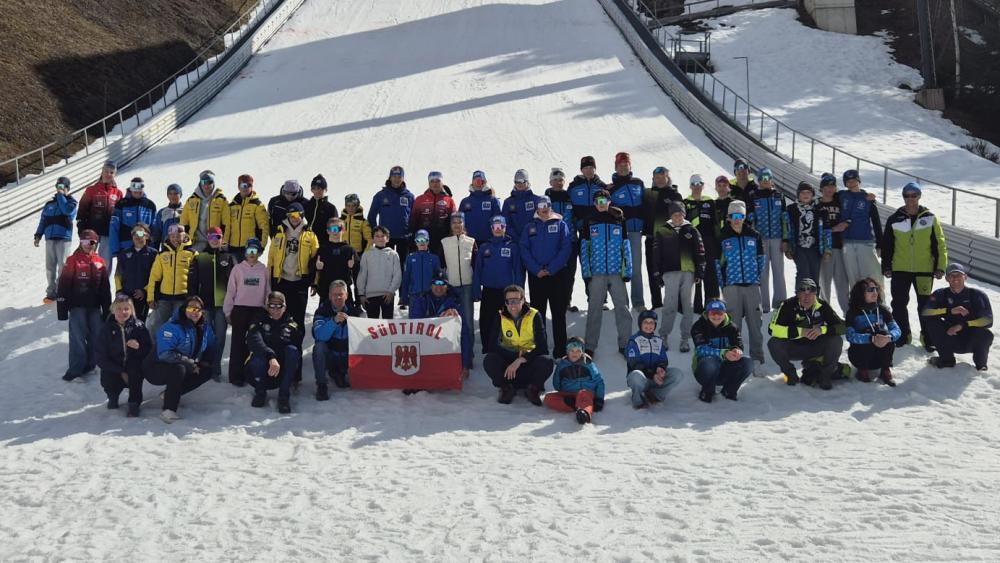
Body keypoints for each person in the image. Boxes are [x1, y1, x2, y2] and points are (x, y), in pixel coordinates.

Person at [882, 182, 947, 350]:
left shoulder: (930, 217)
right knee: (898, 303)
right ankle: (903, 335)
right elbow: (887, 245)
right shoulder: (894, 218)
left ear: (919, 196)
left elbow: (940, 244)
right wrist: (886, 266)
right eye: (907, 195)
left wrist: (940, 267)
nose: (910, 199)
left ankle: (928, 337)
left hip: (924, 269)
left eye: (914, 195)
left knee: (925, 305)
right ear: (903, 197)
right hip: (900, 269)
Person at [716, 200, 766, 376]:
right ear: (729, 218)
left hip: (751, 286)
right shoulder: (722, 236)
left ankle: (757, 358)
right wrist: (724, 285)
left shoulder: (754, 235)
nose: (737, 220)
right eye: (733, 216)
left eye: (740, 216)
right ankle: (735, 359)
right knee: (733, 326)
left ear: (744, 217)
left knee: (755, 323)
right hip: (732, 286)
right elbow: (717, 263)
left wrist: (755, 279)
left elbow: (761, 260)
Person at [767, 278, 847, 390]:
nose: (806, 296)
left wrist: (822, 330)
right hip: (794, 347)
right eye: (802, 292)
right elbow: (772, 329)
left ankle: (825, 376)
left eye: (811, 292)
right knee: (773, 343)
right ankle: (790, 374)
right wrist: (800, 332)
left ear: (816, 293)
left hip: (816, 346)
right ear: (797, 294)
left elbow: (842, 327)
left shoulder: (822, 305)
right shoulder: (787, 305)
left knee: (836, 340)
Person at [581, 189, 634, 356]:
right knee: (594, 308)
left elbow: (626, 246)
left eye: (604, 201)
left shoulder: (618, 219)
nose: (601, 204)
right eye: (598, 201)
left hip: (616, 271)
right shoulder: (589, 220)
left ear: (609, 201)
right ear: (594, 204)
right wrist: (586, 271)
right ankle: (590, 346)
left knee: (623, 308)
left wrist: (627, 270)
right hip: (597, 273)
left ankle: (625, 344)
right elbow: (585, 248)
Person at [148, 296, 216, 423]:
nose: (194, 312)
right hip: (156, 367)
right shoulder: (173, 326)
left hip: (182, 364)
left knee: (206, 371)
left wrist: (203, 362)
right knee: (179, 369)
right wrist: (190, 363)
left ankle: (169, 394)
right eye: (191, 308)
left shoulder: (204, 327)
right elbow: (165, 354)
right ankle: (168, 410)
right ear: (184, 309)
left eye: (198, 309)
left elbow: (211, 346)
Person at [520, 195, 573, 357]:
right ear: (537, 207)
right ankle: (540, 349)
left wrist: (552, 268)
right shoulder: (529, 227)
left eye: (546, 205)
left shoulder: (560, 225)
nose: (544, 208)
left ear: (550, 206)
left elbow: (566, 248)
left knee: (558, 314)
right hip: (537, 276)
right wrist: (536, 269)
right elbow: (524, 249)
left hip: (556, 275)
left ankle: (560, 351)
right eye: (541, 205)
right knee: (538, 314)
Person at [650, 200, 706, 353]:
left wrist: (700, 271)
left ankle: (685, 338)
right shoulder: (662, 231)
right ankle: (664, 336)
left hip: (688, 272)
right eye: (675, 214)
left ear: (684, 215)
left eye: (680, 214)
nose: (678, 217)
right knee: (670, 305)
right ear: (670, 215)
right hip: (669, 272)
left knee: (688, 306)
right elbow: (656, 255)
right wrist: (657, 273)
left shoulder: (692, 230)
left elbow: (700, 252)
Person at [483, 285, 553, 405]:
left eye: (516, 300)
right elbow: (492, 346)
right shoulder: (500, 316)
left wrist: (521, 359)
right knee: (489, 359)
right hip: (509, 367)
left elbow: (542, 347)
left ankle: (533, 388)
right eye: (508, 301)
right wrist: (514, 356)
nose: (512, 304)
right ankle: (506, 388)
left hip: (528, 361)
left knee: (546, 361)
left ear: (523, 300)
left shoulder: (534, 315)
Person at [56, 229, 111, 381]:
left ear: (96, 243)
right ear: (80, 242)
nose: (88, 244)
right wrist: (62, 308)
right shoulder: (73, 259)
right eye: (85, 242)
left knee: (96, 336)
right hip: (77, 306)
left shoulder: (100, 261)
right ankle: (75, 371)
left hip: (94, 306)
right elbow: (63, 284)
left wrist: (107, 310)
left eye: (91, 242)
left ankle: (89, 365)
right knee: (78, 338)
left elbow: (105, 289)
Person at [922, 263, 993, 371]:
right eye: (952, 275)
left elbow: (988, 320)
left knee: (986, 334)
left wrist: (963, 325)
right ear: (946, 279)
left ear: (965, 277)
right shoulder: (941, 293)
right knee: (932, 323)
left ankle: (981, 365)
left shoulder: (977, 295)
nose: (955, 278)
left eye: (958, 275)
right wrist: (948, 311)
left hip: (971, 339)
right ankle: (946, 360)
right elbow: (925, 313)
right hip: (949, 337)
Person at [186, 226, 234, 381]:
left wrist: (232, 303)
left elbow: (235, 283)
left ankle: (216, 369)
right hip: (204, 305)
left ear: (222, 239)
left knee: (220, 337)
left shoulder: (228, 257)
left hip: (222, 305)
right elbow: (192, 282)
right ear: (207, 238)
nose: (215, 240)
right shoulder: (201, 257)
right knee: (205, 337)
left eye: (218, 237)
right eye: (212, 237)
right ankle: (203, 366)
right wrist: (194, 300)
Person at [245, 292, 303, 414]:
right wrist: (270, 356)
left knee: (292, 351)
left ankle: (283, 397)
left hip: (280, 372)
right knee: (258, 359)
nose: (275, 310)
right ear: (267, 306)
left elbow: (297, 349)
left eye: (279, 306)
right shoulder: (259, 321)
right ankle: (260, 393)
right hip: (261, 368)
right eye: (272, 306)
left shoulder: (291, 325)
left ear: (285, 307)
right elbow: (254, 340)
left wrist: (296, 376)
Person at [223, 238, 270, 386]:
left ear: (259, 253)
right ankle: (236, 376)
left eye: (255, 251)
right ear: (245, 252)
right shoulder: (238, 269)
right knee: (238, 343)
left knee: (254, 342)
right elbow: (231, 291)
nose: (252, 254)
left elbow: (267, 290)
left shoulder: (263, 269)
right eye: (249, 251)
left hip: (257, 310)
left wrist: (268, 308)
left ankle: (251, 372)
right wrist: (228, 311)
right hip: (240, 309)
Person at [473, 216, 525, 349]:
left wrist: (520, 292)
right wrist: (476, 289)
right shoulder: (484, 247)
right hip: (489, 290)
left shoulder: (512, 247)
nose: (498, 229)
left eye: (500, 227)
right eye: (495, 227)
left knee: (507, 319)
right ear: (491, 229)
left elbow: (518, 270)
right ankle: (487, 348)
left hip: (507, 292)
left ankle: (508, 347)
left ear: (505, 228)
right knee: (486, 320)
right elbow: (478, 270)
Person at [95, 296, 152, 416]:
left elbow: (149, 348)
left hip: (133, 365)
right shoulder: (105, 329)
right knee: (108, 379)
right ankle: (113, 397)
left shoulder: (139, 326)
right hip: (114, 365)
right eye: (119, 309)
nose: (123, 312)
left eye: (126, 309)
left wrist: (139, 347)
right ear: (113, 310)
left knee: (135, 372)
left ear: (131, 310)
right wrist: (121, 371)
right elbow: (100, 357)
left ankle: (134, 403)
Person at [367, 165, 415, 305]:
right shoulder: (381, 195)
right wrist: (377, 233)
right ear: (390, 177)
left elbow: (413, 217)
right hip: (385, 239)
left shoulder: (409, 196)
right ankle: (384, 295)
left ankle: (403, 297)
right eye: (394, 176)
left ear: (403, 178)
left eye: (399, 176)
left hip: (403, 238)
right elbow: (371, 216)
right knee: (384, 267)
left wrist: (411, 234)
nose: (396, 179)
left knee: (402, 267)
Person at [410, 274, 472, 378]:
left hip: (446, 348)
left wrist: (465, 364)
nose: (438, 287)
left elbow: (464, 334)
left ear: (447, 286)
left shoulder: (455, 304)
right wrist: (440, 318)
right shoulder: (421, 300)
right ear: (431, 285)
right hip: (426, 346)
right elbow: (414, 325)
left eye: (442, 284)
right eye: (435, 283)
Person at [267, 202, 319, 327]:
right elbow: (271, 259)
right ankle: (280, 343)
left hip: (300, 281)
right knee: (280, 316)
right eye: (291, 215)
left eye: (297, 215)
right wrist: (269, 281)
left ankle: (296, 345)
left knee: (298, 318)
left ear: (302, 215)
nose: (294, 218)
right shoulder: (279, 233)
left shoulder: (310, 235)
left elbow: (315, 260)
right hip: (282, 280)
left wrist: (315, 282)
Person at [692, 299, 753, 402]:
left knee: (747, 362)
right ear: (707, 313)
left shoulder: (732, 327)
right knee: (710, 362)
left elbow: (738, 345)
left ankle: (730, 390)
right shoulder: (698, 326)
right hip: (704, 369)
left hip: (725, 369)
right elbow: (701, 349)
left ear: (724, 313)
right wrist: (723, 353)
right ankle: (707, 391)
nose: (716, 316)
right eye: (713, 313)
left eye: (719, 313)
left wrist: (737, 351)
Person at [312, 280, 366, 398]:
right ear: (330, 296)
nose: (338, 297)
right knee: (319, 347)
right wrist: (333, 322)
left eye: (340, 294)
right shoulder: (322, 311)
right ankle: (322, 385)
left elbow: (365, 335)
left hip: (348, 358)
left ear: (346, 295)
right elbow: (319, 335)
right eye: (335, 294)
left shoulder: (355, 312)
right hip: (331, 357)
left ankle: (346, 375)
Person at [608, 151, 647, 310]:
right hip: (620, 234)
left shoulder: (638, 183)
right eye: (620, 165)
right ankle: (622, 303)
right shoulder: (611, 188)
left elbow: (645, 203)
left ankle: (638, 303)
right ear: (616, 167)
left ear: (630, 165)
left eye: (626, 164)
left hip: (636, 233)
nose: (623, 167)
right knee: (621, 268)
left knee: (636, 268)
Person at [845, 278, 901, 386]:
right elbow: (850, 335)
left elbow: (897, 330)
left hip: (879, 359)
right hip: (859, 357)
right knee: (870, 333)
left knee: (884, 334)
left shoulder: (883, 310)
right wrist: (870, 338)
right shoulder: (853, 312)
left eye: (876, 289)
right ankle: (863, 371)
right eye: (870, 289)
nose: (875, 292)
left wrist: (889, 337)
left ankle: (885, 370)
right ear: (861, 293)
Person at [146, 224, 198, 338]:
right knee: (155, 325)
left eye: (178, 236)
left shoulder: (192, 254)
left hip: (183, 299)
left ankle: (176, 352)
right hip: (164, 298)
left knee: (180, 328)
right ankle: (154, 352)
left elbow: (195, 279)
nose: (175, 239)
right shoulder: (162, 254)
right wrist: (151, 298)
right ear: (169, 237)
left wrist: (193, 298)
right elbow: (154, 277)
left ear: (184, 236)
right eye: (172, 236)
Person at [643, 165, 683, 310]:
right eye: (657, 178)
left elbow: (681, 217)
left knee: (671, 272)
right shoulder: (648, 194)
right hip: (651, 239)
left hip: (669, 240)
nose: (659, 180)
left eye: (663, 177)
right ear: (653, 179)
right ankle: (657, 304)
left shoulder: (674, 195)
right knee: (653, 271)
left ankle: (674, 304)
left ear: (668, 178)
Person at [747, 168, 787, 312]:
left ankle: (780, 303)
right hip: (761, 238)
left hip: (777, 238)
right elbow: (750, 218)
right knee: (763, 272)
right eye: (762, 178)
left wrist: (785, 238)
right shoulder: (754, 196)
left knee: (778, 271)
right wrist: (754, 238)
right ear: (758, 180)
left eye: (767, 177)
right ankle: (764, 305)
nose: (765, 180)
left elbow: (784, 218)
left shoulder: (778, 196)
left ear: (771, 179)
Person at [625, 310, 683, 409]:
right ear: (640, 324)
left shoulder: (658, 341)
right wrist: (652, 374)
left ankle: (656, 395)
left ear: (655, 325)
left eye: (651, 322)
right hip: (642, 379)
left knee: (677, 374)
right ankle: (638, 401)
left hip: (655, 379)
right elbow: (634, 363)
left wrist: (660, 369)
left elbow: (663, 360)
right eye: (645, 322)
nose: (649, 325)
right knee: (636, 375)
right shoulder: (633, 341)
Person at [35, 176, 77, 304]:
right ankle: (51, 293)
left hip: (63, 238)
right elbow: (43, 220)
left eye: (62, 187)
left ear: (67, 189)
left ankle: (62, 291)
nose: (59, 189)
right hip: (50, 239)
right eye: (58, 186)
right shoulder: (49, 205)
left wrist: (61, 196)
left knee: (63, 266)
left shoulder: (71, 202)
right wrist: (38, 235)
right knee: (50, 267)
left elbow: (67, 212)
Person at [838, 169, 883, 287]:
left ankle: (879, 301)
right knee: (853, 276)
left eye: (854, 180)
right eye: (848, 181)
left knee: (872, 275)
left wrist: (880, 244)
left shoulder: (867, 199)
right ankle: (856, 302)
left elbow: (876, 222)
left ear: (859, 181)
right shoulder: (842, 196)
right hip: (847, 242)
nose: (851, 183)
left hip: (865, 241)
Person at [546, 337, 605, 424]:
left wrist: (599, 399)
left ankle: (584, 412)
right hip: (570, 395)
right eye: (572, 351)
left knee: (583, 394)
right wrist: (563, 393)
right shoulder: (562, 365)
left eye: (578, 351)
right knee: (548, 398)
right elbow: (556, 383)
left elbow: (599, 382)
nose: (575, 353)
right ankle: (572, 405)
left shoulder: (588, 364)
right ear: (567, 351)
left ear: (582, 352)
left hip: (586, 393)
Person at [441, 212, 477, 354]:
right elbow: (441, 266)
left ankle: (469, 352)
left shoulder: (471, 241)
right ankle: (453, 351)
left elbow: (476, 265)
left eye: (459, 223)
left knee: (467, 321)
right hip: (451, 287)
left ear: (463, 224)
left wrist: (475, 286)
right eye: (454, 223)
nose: (457, 225)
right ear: (450, 225)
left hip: (467, 286)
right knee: (451, 319)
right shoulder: (444, 242)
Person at [783, 181, 830, 290]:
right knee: (804, 272)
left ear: (812, 195)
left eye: (808, 192)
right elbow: (786, 227)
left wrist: (827, 249)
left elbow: (827, 231)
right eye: (802, 192)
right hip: (798, 247)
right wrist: (786, 244)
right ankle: (799, 299)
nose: (805, 195)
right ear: (798, 194)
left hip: (815, 247)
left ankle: (814, 301)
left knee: (814, 274)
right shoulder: (791, 209)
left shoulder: (820, 210)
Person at [545, 167, 580, 312]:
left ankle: (566, 302)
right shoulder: (546, 199)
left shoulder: (570, 198)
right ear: (550, 181)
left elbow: (577, 218)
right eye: (555, 180)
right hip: (552, 243)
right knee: (552, 273)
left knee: (569, 274)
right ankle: (553, 303)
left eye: (561, 180)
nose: (558, 183)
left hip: (570, 240)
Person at [76, 160, 123, 268]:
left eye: (111, 172)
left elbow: (119, 215)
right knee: (86, 259)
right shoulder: (91, 190)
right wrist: (81, 227)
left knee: (104, 262)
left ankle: (104, 283)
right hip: (92, 231)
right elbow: (82, 210)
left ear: (115, 174)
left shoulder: (118, 193)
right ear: (102, 171)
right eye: (106, 171)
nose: (108, 174)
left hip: (108, 232)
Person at [815, 173, 850, 313]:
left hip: (840, 246)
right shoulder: (816, 204)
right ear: (821, 188)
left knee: (842, 282)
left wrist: (846, 223)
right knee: (825, 282)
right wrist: (833, 229)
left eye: (832, 186)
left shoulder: (840, 202)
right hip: (825, 248)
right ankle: (825, 312)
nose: (830, 189)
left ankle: (847, 312)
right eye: (827, 186)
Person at [684, 174, 719, 312]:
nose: (697, 186)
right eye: (694, 183)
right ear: (690, 186)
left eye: (700, 183)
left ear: (703, 185)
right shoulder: (686, 202)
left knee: (711, 273)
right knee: (696, 273)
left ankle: (713, 304)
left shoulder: (710, 202)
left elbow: (715, 223)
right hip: (693, 243)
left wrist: (717, 243)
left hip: (709, 242)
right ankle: (696, 306)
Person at [114, 224, 158, 321]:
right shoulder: (124, 253)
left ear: (147, 235)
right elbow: (118, 274)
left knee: (139, 324)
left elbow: (156, 276)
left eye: (140, 232)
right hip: (125, 297)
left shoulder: (154, 254)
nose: (137, 236)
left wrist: (144, 290)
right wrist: (119, 291)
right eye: (134, 233)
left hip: (142, 298)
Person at [357, 226, 402, 319]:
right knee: (373, 326)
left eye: (383, 236)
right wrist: (361, 294)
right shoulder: (367, 255)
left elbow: (397, 275)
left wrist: (391, 291)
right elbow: (362, 275)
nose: (380, 238)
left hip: (387, 295)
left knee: (387, 326)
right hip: (370, 296)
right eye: (377, 236)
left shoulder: (393, 254)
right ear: (373, 239)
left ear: (387, 239)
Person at [410, 171, 455, 261]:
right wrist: (412, 240)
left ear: (442, 183)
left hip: (442, 241)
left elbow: (453, 221)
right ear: (429, 183)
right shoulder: (420, 199)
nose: (435, 184)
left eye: (438, 181)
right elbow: (413, 221)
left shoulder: (449, 201)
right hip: (423, 241)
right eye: (432, 181)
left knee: (440, 267)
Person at [180, 170, 229, 252]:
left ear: (213, 183)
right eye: (203, 182)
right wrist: (185, 240)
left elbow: (226, 223)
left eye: (209, 182)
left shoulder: (221, 200)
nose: (206, 185)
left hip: (214, 241)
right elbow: (184, 222)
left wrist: (224, 242)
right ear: (200, 183)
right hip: (196, 241)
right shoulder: (192, 200)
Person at [108, 177, 158, 257]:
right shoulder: (121, 204)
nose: (137, 192)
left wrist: (153, 246)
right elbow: (114, 227)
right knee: (124, 269)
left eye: (140, 189)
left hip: (144, 246)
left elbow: (154, 227)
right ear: (130, 189)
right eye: (135, 190)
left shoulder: (150, 205)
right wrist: (115, 249)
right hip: (126, 246)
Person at [313, 217, 358, 302]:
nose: (335, 231)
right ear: (328, 231)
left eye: (338, 228)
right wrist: (316, 267)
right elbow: (312, 268)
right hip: (326, 292)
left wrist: (353, 266)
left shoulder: (349, 250)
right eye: (332, 229)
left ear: (343, 230)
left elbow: (358, 274)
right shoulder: (322, 249)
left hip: (344, 293)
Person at [226, 174, 269, 261]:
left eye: (249, 185)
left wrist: (261, 246)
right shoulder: (232, 206)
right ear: (238, 187)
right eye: (243, 185)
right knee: (233, 273)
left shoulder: (257, 205)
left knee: (247, 273)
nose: (246, 188)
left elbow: (264, 228)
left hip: (249, 248)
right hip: (232, 247)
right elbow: (227, 226)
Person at [568, 156, 607, 239]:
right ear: (581, 170)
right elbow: (568, 204)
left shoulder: (602, 186)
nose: (589, 170)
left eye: (591, 168)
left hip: (598, 226)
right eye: (586, 168)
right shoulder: (574, 187)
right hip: (581, 227)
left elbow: (607, 205)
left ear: (595, 169)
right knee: (583, 250)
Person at [401, 229, 443, 308]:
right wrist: (404, 296)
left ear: (428, 241)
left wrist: (439, 294)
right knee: (415, 320)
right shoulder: (410, 258)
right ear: (415, 242)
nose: (422, 242)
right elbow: (406, 278)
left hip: (430, 297)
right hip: (414, 296)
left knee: (430, 319)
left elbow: (438, 278)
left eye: (425, 240)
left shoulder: (434, 258)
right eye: (419, 240)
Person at [459, 170, 501, 244]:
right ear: (472, 182)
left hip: (488, 242)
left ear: (485, 182)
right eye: (476, 181)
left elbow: (498, 220)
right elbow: (459, 222)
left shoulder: (493, 201)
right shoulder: (465, 202)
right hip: (469, 242)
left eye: (481, 181)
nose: (478, 184)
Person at [341, 193, 373, 287]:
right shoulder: (340, 221)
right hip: (343, 254)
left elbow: (370, 240)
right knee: (344, 280)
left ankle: (359, 301)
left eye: (353, 206)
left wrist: (365, 255)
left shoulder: (363, 222)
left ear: (357, 205)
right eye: (348, 205)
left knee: (358, 281)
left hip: (357, 255)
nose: (350, 208)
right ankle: (348, 301)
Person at [502, 169, 540, 245]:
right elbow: (505, 222)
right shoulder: (508, 202)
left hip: (532, 241)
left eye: (522, 181)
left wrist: (530, 236)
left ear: (527, 182)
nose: (519, 184)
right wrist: (516, 237)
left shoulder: (536, 200)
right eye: (517, 181)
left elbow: (539, 221)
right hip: (514, 241)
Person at [305, 174, 339, 246]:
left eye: (320, 188)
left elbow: (335, 229)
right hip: (307, 244)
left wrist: (333, 245)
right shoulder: (306, 205)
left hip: (324, 245)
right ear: (311, 190)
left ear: (325, 190)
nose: (317, 191)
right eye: (314, 188)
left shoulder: (331, 208)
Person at [153, 184, 184, 248]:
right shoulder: (162, 212)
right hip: (166, 248)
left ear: (180, 195)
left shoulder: (186, 210)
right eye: (170, 194)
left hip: (182, 248)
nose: (173, 196)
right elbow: (157, 234)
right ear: (167, 195)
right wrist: (155, 250)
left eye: (175, 193)